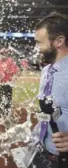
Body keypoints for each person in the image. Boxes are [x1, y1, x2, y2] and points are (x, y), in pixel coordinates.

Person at [29, 12, 68, 168]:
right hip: (42, 153)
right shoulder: (47, 71)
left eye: (40, 43)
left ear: (59, 41)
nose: (37, 48)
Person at [0, 48, 19, 115]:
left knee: (7, 101)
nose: (2, 55)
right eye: (1, 53)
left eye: (3, 53)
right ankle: (0, 115)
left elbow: (16, 72)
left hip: (7, 84)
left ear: (6, 54)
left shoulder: (10, 61)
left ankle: (7, 115)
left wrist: (13, 80)